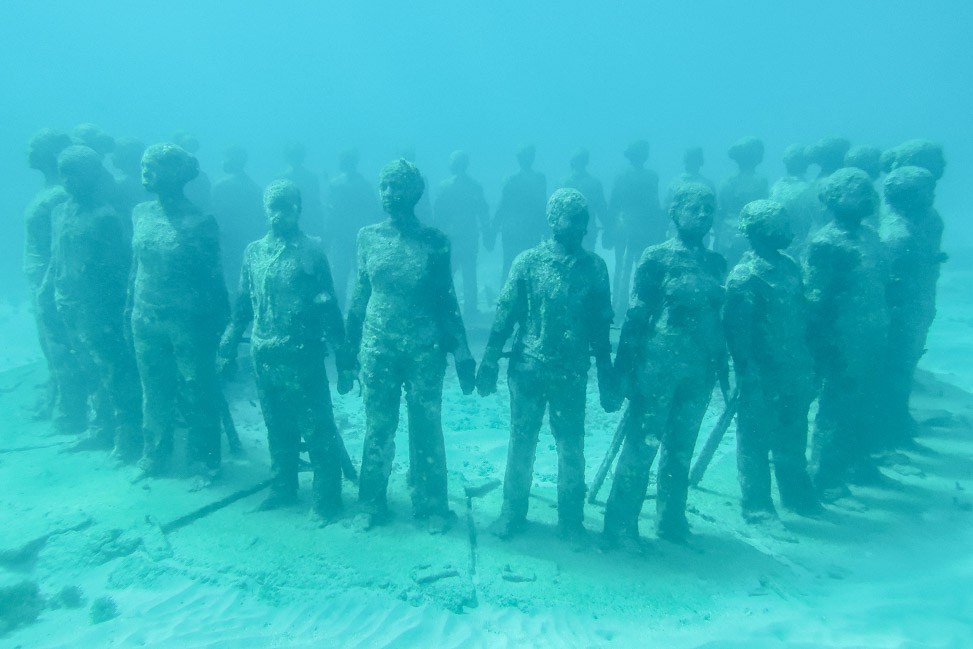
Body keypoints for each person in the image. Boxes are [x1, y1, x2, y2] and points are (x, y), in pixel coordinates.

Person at [476, 188, 619, 544]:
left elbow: (601, 327)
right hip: (528, 369)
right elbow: (506, 314)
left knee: (571, 445)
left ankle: (571, 520)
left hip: (570, 374)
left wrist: (605, 372)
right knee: (521, 442)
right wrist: (490, 359)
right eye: (573, 218)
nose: (581, 228)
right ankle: (512, 512)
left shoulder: (595, 268)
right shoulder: (528, 262)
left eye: (584, 220)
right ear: (553, 220)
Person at [344, 159, 475, 532]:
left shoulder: (434, 242)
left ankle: (432, 504)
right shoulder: (367, 237)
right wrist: (347, 349)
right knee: (378, 425)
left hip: (423, 349)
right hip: (378, 347)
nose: (390, 194)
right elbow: (360, 296)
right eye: (385, 186)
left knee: (426, 426)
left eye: (398, 187)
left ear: (415, 193)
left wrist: (461, 350)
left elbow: (446, 300)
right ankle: (371, 503)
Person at [220, 180, 353, 521]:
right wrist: (230, 339)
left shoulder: (311, 251)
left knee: (317, 426)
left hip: (302, 355)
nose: (279, 214)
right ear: (265, 210)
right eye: (273, 207)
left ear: (299, 208)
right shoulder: (253, 253)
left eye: (286, 206)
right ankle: (283, 487)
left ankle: (327, 499)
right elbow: (244, 304)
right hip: (265, 355)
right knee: (277, 426)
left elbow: (328, 306)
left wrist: (343, 355)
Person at [604, 182, 726, 548]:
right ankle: (621, 524)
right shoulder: (657, 258)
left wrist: (722, 368)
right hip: (658, 366)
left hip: (698, 369)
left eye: (709, 208)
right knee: (643, 443)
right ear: (675, 213)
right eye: (694, 207)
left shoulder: (716, 263)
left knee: (682, 446)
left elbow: (719, 320)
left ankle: (671, 519)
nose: (702, 215)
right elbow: (637, 316)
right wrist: (623, 371)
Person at [130, 143, 229, 480]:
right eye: (144, 165)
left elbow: (214, 280)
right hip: (145, 318)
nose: (146, 172)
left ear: (175, 174)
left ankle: (205, 460)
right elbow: (136, 266)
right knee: (153, 389)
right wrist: (130, 306)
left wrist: (221, 328)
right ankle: (154, 455)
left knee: (197, 390)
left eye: (153, 166)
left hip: (187, 322)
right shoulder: (140, 214)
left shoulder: (201, 222)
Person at [723, 200, 820, 522]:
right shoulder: (745, 277)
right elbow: (738, 336)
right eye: (783, 227)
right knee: (754, 439)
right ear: (762, 232)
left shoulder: (790, 267)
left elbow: (803, 318)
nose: (791, 233)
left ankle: (797, 495)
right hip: (761, 375)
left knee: (792, 433)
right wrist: (746, 373)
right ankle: (757, 506)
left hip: (793, 369)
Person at [47, 145, 142, 460]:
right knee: (86, 366)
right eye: (63, 171)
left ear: (92, 175)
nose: (68, 179)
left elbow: (120, 269)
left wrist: (119, 310)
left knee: (114, 371)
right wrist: (48, 294)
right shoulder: (58, 212)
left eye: (75, 172)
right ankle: (100, 427)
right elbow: (55, 258)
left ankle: (127, 434)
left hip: (99, 309)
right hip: (68, 303)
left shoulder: (106, 217)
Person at [804, 168, 888, 498]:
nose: (866, 196)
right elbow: (815, 300)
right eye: (857, 191)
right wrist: (823, 345)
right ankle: (825, 476)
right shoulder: (826, 243)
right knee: (836, 408)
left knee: (863, 404)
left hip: (869, 338)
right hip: (842, 341)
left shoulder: (870, 237)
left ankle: (855, 464)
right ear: (835, 200)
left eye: (868, 190)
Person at [879, 166, 945, 446]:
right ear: (912, 196)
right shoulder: (898, 236)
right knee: (895, 372)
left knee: (901, 371)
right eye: (927, 190)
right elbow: (890, 285)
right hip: (900, 317)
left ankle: (896, 424)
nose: (933, 194)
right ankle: (889, 430)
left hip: (910, 312)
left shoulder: (915, 226)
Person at [22, 128, 80, 426]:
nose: (28, 150)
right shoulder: (49, 189)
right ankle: (56, 398)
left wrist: (48, 283)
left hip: (47, 278)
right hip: (38, 277)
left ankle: (70, 411)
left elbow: (60, 246)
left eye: (34, 145)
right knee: (49, 345)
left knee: (59, 344)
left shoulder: (58, 195)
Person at [607, 140, 663, 315]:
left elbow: (613, 205)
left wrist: (609, 229)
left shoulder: (621, 176)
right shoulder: (652, 177)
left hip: (623, 228)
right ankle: (635, 306)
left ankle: (617, 307)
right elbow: (655, 206)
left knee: (621, 269)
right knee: (639, 268)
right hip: (642, 230)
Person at [433, 150, 490, 319]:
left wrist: (437, 235)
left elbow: (438, 214)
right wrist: (487, 234)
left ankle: (443, 306)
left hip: (450, 237)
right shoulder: (475, 187)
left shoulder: (444, 187)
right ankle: (471, 309)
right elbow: (483, 212)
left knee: (447, 273)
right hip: (469, 237)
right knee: (469, 274)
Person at [328, 149, 380, 307]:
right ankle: (361, 312)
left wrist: (328, 237)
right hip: (358, 237)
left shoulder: (335, 184)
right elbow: (373, 212)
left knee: (340, 279)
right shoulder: (365, 185)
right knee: (361, 278)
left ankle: (341, 312)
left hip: (341, 238)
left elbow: (332, 214)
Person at [490, 145, 547, 282]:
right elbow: (543, 205)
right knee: (533, 267)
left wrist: (492, 230)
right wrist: (547, 230)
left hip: (512, 231)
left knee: (509, 266)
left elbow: (501, 207)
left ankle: (506, 300)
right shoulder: (540, 179)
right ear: (532, 158)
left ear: (519, 159)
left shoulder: (510, 179)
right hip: (532, 230)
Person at [211, 145, 264, 288]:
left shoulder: (221, 187)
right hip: (247, 242)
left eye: (226, 158)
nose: (223, 162)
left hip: (227, 244)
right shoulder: (254, 188)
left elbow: (215, 219)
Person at [714, 137, 768, 266]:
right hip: (752, 239)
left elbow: (719, 214)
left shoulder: (725, 182)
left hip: (727, 238)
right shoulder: (761, 182)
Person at [769, 145, 818, 256]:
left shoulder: (775, 187)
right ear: (805, 163)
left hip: (780, 242)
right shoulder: (808, 189)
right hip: (801, 244)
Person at [559, 148, 609, 250]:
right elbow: (601, 210)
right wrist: (608, 227)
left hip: (567, 230)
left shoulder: (563, 182)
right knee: (586, 262)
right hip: (588, 230)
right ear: (586, 162)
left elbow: (555, 210)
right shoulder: (595, 183)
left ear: (572, 162)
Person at [279, 142, 325, 239]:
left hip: (302, 220)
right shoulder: (312, 177)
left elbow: (315, 202)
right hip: (301, 220)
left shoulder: (281, 178)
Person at [663, 147, 716, 212]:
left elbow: (666, 208)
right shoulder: (708, 184)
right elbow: (713, 208)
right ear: (701, 162)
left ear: (685, 161)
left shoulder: (674, 183)